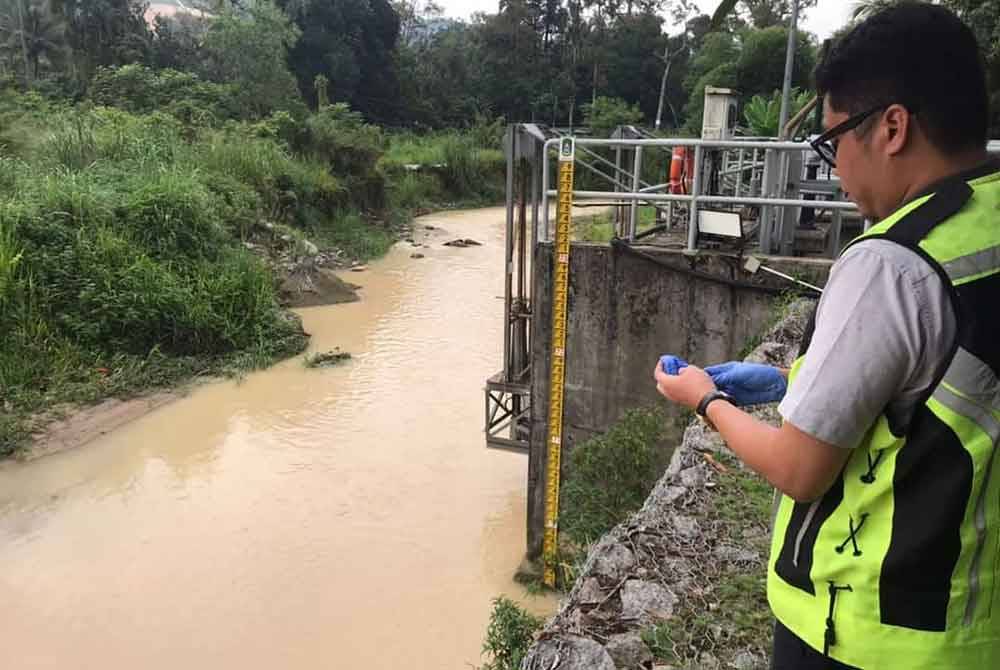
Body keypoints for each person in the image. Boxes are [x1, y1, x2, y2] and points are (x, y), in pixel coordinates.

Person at [654, 4, 1000, 669]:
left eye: (833, 140)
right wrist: (791, 384)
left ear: (892, 127)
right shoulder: (985, 226)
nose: (835, 169)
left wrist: (705, 400)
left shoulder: (893, 263)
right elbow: (941, 389)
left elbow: (798, 470)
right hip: (970, 627)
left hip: (865, 630)